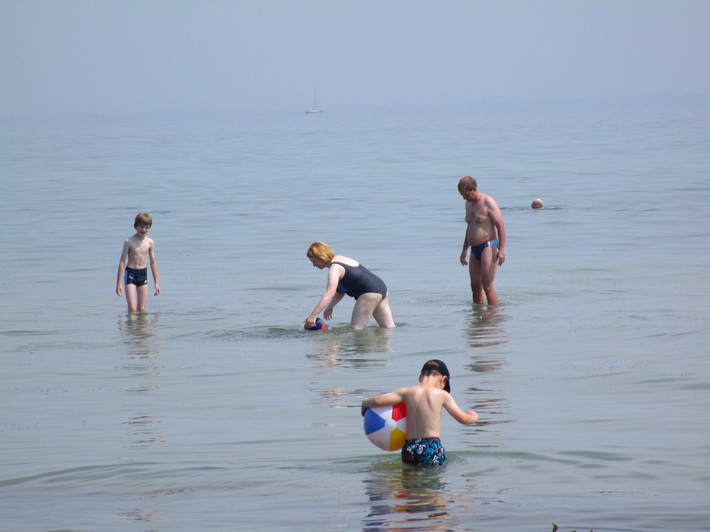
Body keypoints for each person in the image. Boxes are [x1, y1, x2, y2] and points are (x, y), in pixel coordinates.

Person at [361, 359, 478, 467]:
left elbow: (377, 401)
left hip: (409, 447)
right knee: (432, 486)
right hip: (431, 446)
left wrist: (364, 402)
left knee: (410, 485)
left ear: (420, 377)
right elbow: (463, 419)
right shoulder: (442, 395)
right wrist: (473, 416)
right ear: (443, 379)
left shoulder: (406, 392)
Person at [305, 241, 395, 330]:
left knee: (356, 330)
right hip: (381, 288)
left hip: (369, 294)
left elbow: (329, 294)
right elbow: (341, 290)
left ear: (321, 257)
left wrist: (313, 315)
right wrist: (331, 306)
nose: (314, 265)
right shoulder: (340, 258)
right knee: (388, 329)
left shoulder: (334, 268)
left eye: (314, 261)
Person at [458, 176, 506, 305]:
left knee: (487, 285)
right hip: (474, 248)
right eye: (462, 196)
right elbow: (470, 227)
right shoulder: (468, 204)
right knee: (475, 286)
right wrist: (464, 251)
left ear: (474, 189)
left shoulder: (487, 201)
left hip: (488, 246)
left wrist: (501, 250)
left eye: (466, 195)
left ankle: (492, 318)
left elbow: (500, 225)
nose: (464, 198)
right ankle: (478, 321)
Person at [116, 213, 160, 312]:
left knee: (142, 308)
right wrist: (118, 283)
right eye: (141, 226)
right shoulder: (129, 241)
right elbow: (122, 262)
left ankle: (142, 328)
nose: (144, 230)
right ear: (136, 226)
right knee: (132, 308)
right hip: (131, 272)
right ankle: (131, 327)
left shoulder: (150, 242)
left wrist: (156, 283)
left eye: (147, 227)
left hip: (143, 273)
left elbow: (153, 263)